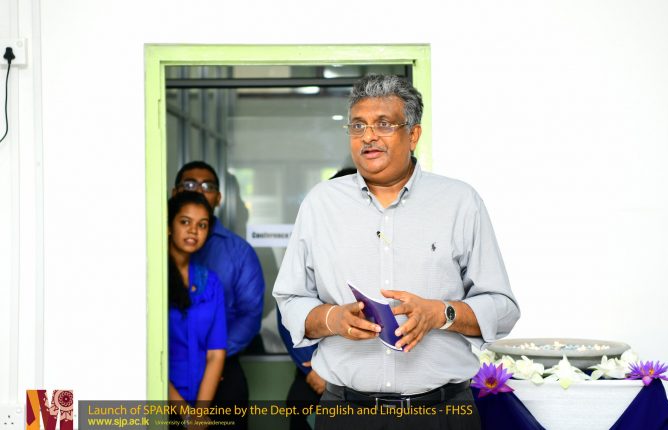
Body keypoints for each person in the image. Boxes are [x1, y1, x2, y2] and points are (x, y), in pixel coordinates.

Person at [273, 74, 520, 429]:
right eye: (358, 125)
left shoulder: (460, 202)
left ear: (413, 135)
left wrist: (442, 313)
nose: (368, 136)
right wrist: (332, 319)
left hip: (441, 414)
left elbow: (503, 308)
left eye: (383, 124)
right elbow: (290, 300)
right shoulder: (320, 204)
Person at [172, 161, 265, 430]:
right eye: (190, 184)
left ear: (219, 198)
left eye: (208, 186)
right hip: (168, 376)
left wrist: (213, 357)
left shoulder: (231, 260)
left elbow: (250, 315)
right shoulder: (153, 262)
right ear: (175, 192)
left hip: (222, 370)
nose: (199, 190)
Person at [277, 167, 357, 430]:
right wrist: (313, 369)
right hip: (314, 370)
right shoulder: (314, 241)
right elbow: (288, 306)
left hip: (365, 376)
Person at [168, 191, 226, 417]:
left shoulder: (211, 282)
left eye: (202, 225)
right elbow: (148, 355)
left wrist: (200, 414)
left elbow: (216, 354)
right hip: (159, 398)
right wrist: (186, 414)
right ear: (169, 226)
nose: (193, 230)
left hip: (202, 396)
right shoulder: (152, 279)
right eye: (185, 222)